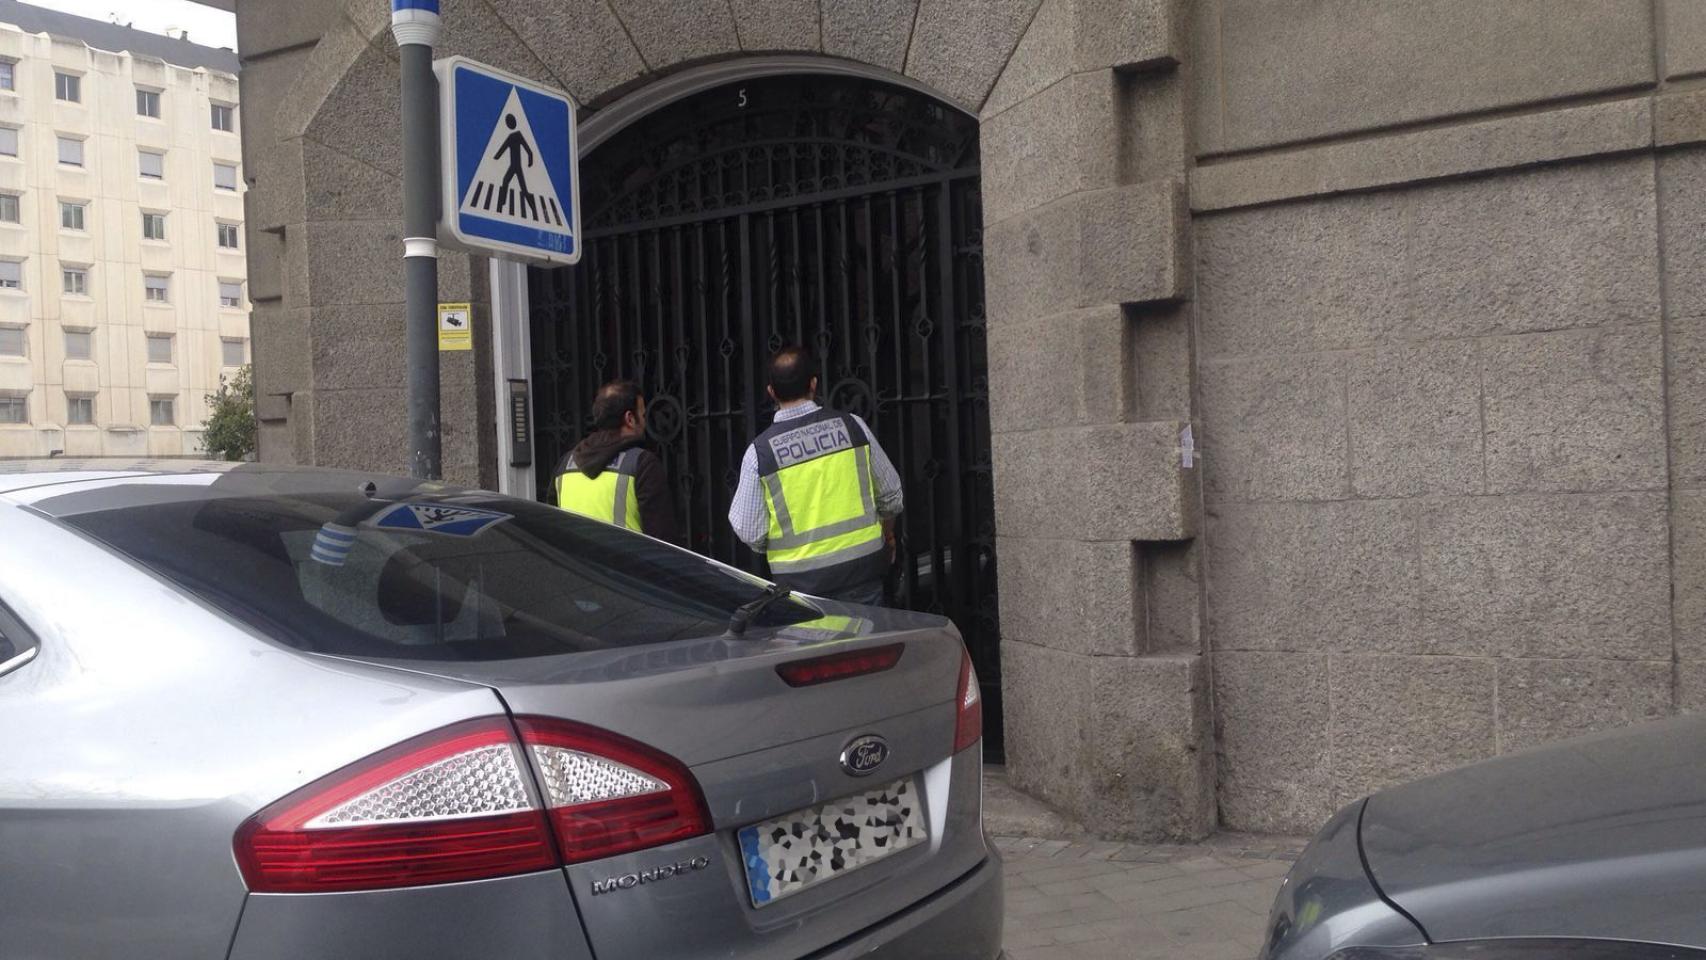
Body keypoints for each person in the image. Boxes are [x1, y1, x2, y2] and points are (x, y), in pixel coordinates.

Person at [729, 345, 904, 606]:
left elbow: (750, 530)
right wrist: (886, 534)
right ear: (813, 384)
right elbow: (892, 496)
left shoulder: (760, 453)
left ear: (771, 392)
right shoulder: (853, 426)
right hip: (862, 575)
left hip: (800, 588)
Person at [553, 380, 682, 545]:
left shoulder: (565, 465)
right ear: (630, 418)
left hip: (576, 561)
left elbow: (553, 527)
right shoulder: (643, 464)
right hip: (628, 562)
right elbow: (663, 540)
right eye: (642, 415)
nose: (645, 422)